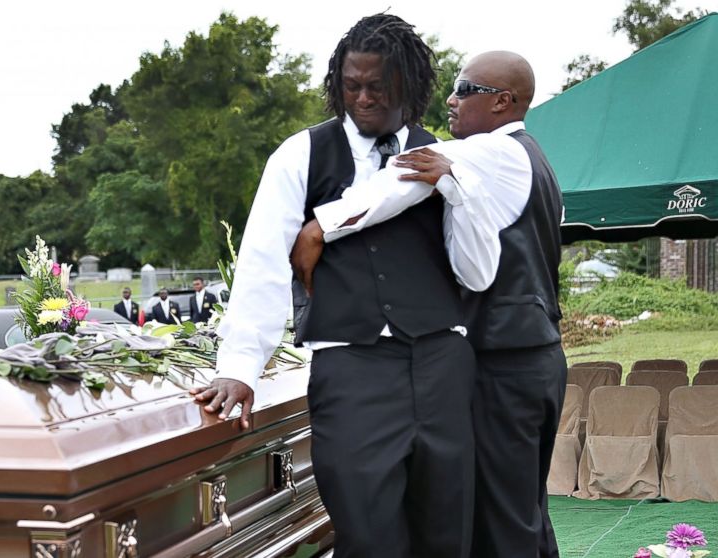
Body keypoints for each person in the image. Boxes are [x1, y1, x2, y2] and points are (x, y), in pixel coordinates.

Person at [192, 13, 476, 557]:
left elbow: (471, 259)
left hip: (442, 364)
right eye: (351, 86)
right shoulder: (300, 154)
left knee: (446, 534)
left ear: (409, 88)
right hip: (352, 372)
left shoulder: (442, 156)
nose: (362, 99)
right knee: (368, 535)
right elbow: (262, 260)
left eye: (378, 87)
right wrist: (239, 366)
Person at [295, 51, 567, 558]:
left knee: (502, 520)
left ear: (503, 102)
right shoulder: (540, 161)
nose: (451, 98)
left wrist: (318, 228)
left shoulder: (492, 151)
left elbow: (399, 180)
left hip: (503, 360)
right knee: (527, 510)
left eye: (465, 88)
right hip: (541, 355)